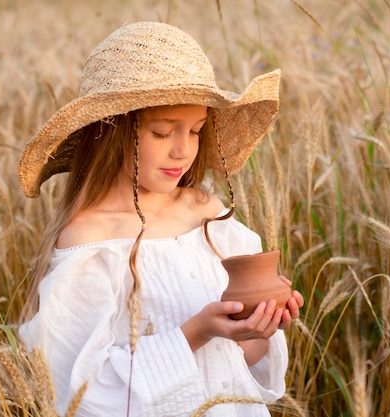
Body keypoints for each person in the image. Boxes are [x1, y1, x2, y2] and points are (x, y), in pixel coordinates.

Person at [17, 21, 304, 417]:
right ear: (110, 131)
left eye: (197, 130)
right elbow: (78, 392)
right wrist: (197, 331)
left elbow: (243, 365)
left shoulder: (209, 215)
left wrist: (262, 326)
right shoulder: (91, 239)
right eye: (162, 132)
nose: (183, 151)